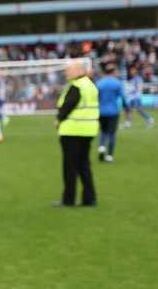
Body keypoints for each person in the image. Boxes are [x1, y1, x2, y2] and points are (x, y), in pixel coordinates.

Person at [55, 60, 99, 207]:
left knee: (70, 167)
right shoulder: (90, 85)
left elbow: (68, 105)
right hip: (88, 130)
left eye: (68, 70)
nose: (66, 73)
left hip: (72, 130)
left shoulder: (77, 86)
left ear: (77, 71)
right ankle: (89, 198)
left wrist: (58, 119)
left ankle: (69, 199)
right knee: (84, 165)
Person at [95, 65, 124, 162]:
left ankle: (102, 147)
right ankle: (110, 155)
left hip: (101, 111)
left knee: (103, 131)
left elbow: (96, 97)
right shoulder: (117, 83)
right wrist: (127, 108)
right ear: (113, 72)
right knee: (112, 134)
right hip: (113, 112)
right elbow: (123, 97)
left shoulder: (99, 83)